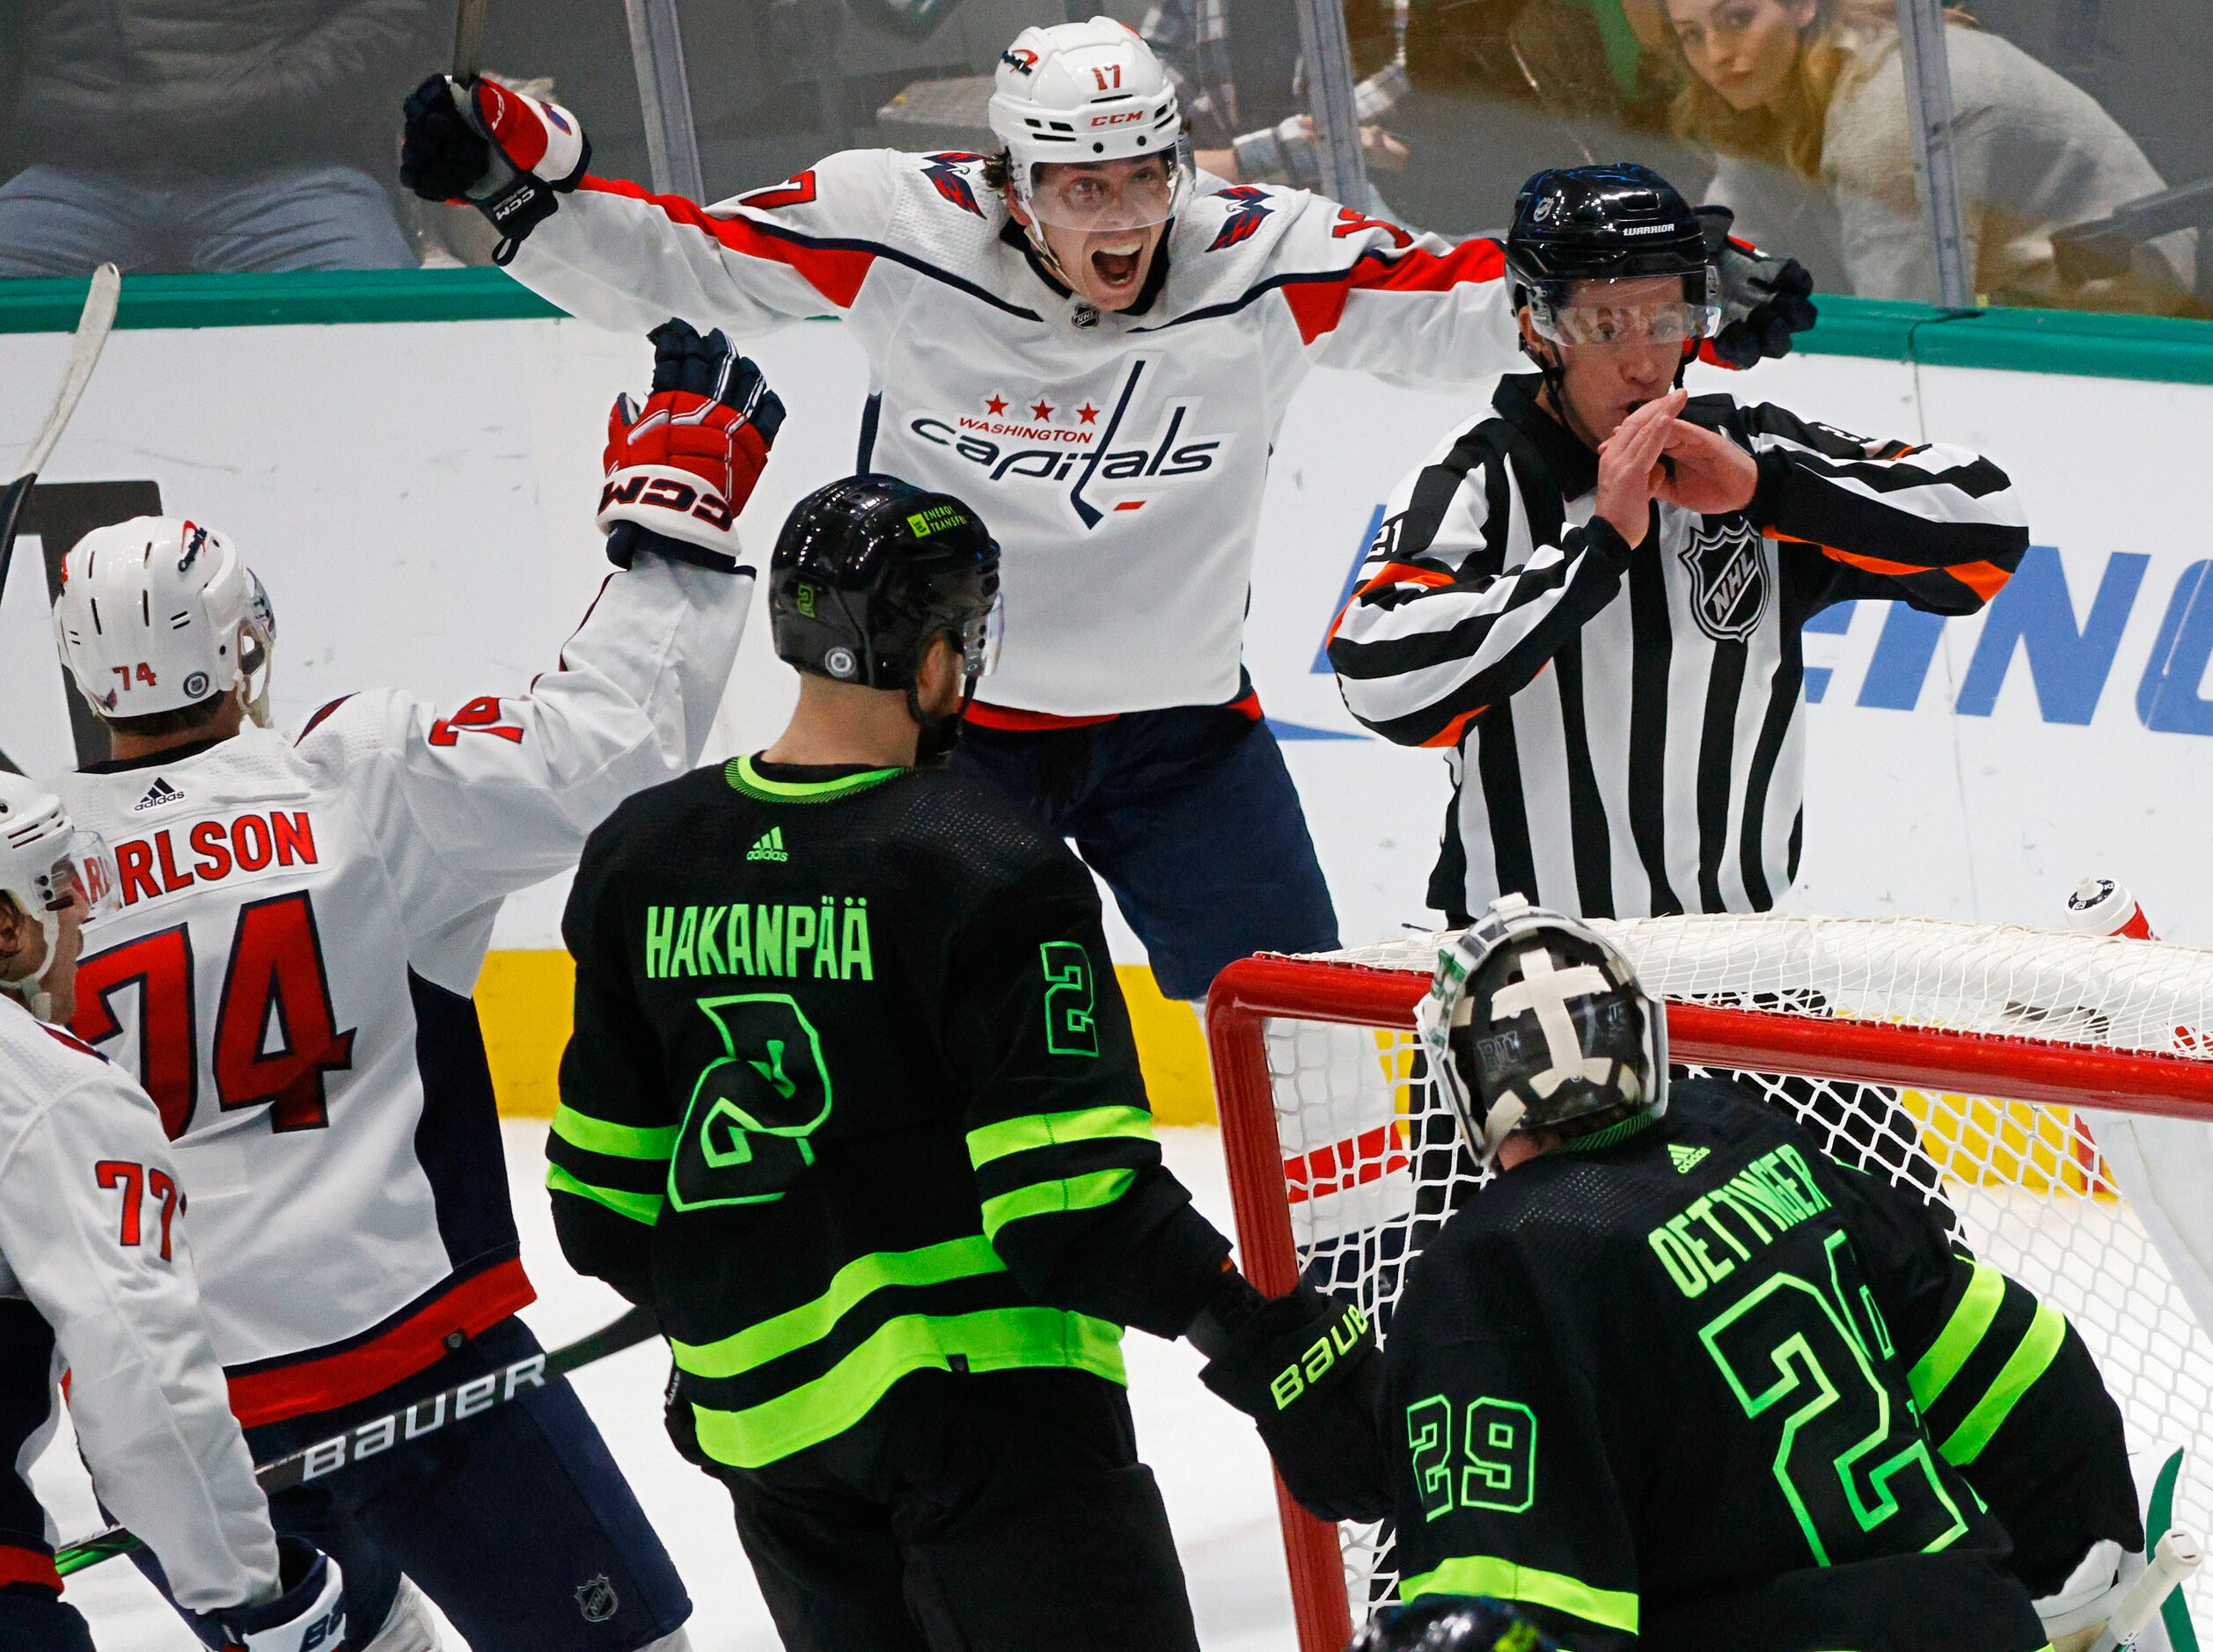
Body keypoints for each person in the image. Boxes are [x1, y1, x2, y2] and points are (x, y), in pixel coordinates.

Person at [395, 16, 1814, 1009]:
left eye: (1147, 173)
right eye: (1082, 184)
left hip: (1182, 746)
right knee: (907, 1039)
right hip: (951, 742)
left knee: (1304, 1034)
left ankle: (1353, 1301)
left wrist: (1679, 293)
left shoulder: (1259, 259)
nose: (1123, 214)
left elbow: (1473, 307)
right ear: (1010, 184)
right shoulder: (903, 231)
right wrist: (531, 195)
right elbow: (687, 257)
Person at [547, 472, 1389, 1651]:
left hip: (771, 1438)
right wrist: (1258, 1340)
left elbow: (598, 1212)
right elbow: (1070, 1209)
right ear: (932, 655)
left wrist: (738, 1314)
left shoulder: (644, 851)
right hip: (999, 1430)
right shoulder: (986, 858)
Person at [40, 319, 781, 1652]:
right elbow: (604, 751)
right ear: (250, 646)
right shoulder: (358, 786)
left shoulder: (33, 882)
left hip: (188, 1425)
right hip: (423, 1361)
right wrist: (668, 543)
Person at [1375, 893, 2153, 1649]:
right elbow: (2020, 1360)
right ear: (1637, 1035)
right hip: (1971, 1620)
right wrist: (2084, 1568)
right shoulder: (1740, 1131)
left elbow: (1512, 1621)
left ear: (1467, 1090)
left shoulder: (1491, 1264)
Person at [1330, 162, 2021, 926]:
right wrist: (1594, 554)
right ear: (1534, 326)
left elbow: (1986, 531)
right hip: (1530, 970)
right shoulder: (1478, 479)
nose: (1642, 360)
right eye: (1604, 326)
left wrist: (1768, 489)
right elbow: (1377, 676)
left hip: (1737, 969)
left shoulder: (1745, 453)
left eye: (1665, 321)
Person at [0, 775, 346, 1652]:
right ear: (6, 925)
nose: (82, 914)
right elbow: (141, 1376)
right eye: (58, 887)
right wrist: (248, 1590)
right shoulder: (51, 1093)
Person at [1661, 0, 2196, 310]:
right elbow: (1734, 256)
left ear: (1802, 5)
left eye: (1737, 19)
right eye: (1691, 36)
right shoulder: (1770, 94)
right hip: (2016, 308)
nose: (1717, 56)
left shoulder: (1894, 108)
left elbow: (1903, 324)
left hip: (2134, 323)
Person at [0, 0, 433, 278]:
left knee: (384, 319)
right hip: (73, 176)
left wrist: (263, 100)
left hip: (290, 169)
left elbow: (392, 15)